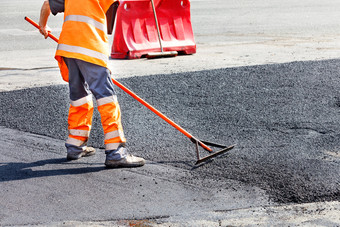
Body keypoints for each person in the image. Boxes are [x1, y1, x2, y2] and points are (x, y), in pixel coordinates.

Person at [38, 0, 145, 168]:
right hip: (91, 47)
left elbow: (46, 5)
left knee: (79, 96)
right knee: (106, 97)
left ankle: (75, 146)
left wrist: (43, 26)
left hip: (68, 49)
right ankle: (116, 152)